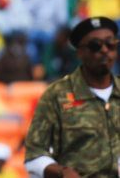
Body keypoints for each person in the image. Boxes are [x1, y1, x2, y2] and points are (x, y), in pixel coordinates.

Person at [25, 16, 120, 177]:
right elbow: (34, 154)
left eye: (110, 44)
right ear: (80, 53)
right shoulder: (56, 95)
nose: (105, 50)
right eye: (95, 45)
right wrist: (62, 172)